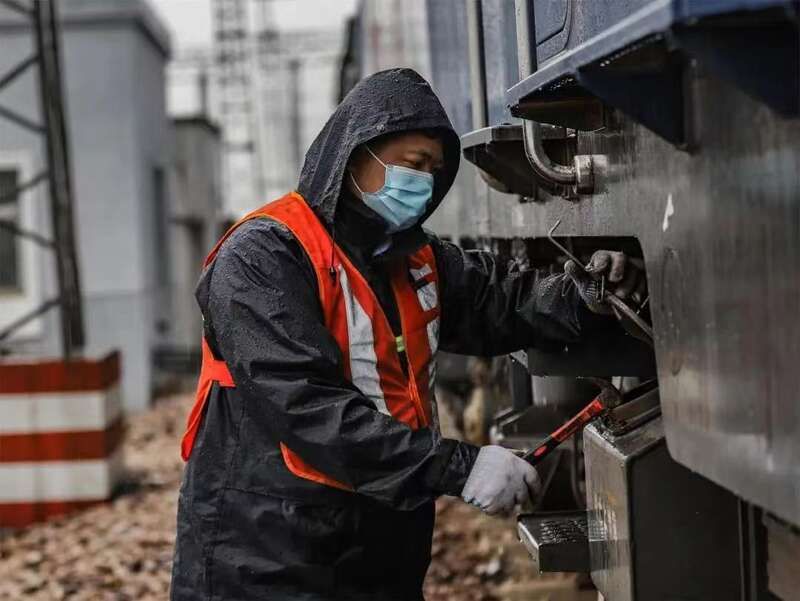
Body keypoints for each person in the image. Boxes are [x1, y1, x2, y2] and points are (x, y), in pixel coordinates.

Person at [170, 68, 644, 601]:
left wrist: (586, 291)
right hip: (267, 556)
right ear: (355, 156)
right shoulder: (263, 258)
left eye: (434, 172)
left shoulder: (414, 259)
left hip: (379, 549)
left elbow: (500, 300)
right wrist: (459, 467)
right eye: (412, 165)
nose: (421, 184)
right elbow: (307, 408)